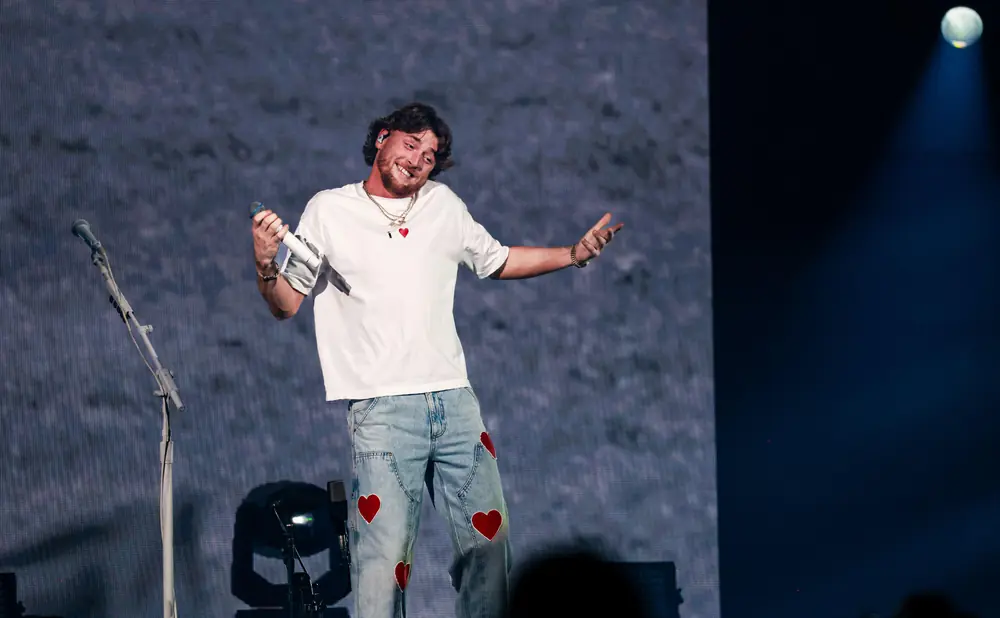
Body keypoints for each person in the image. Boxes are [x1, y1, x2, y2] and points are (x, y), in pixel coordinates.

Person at [250, 102, 623, 618]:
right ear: (382, 138)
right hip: (381, 410)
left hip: (455, 403)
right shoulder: (329, 210)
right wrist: (265, 262)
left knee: (489, 548)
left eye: (430, 155)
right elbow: (286, 304)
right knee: (382, 563)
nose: (419, 160)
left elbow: (498, 259)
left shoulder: (443, 205)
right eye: (411, 144)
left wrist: (573, 254)